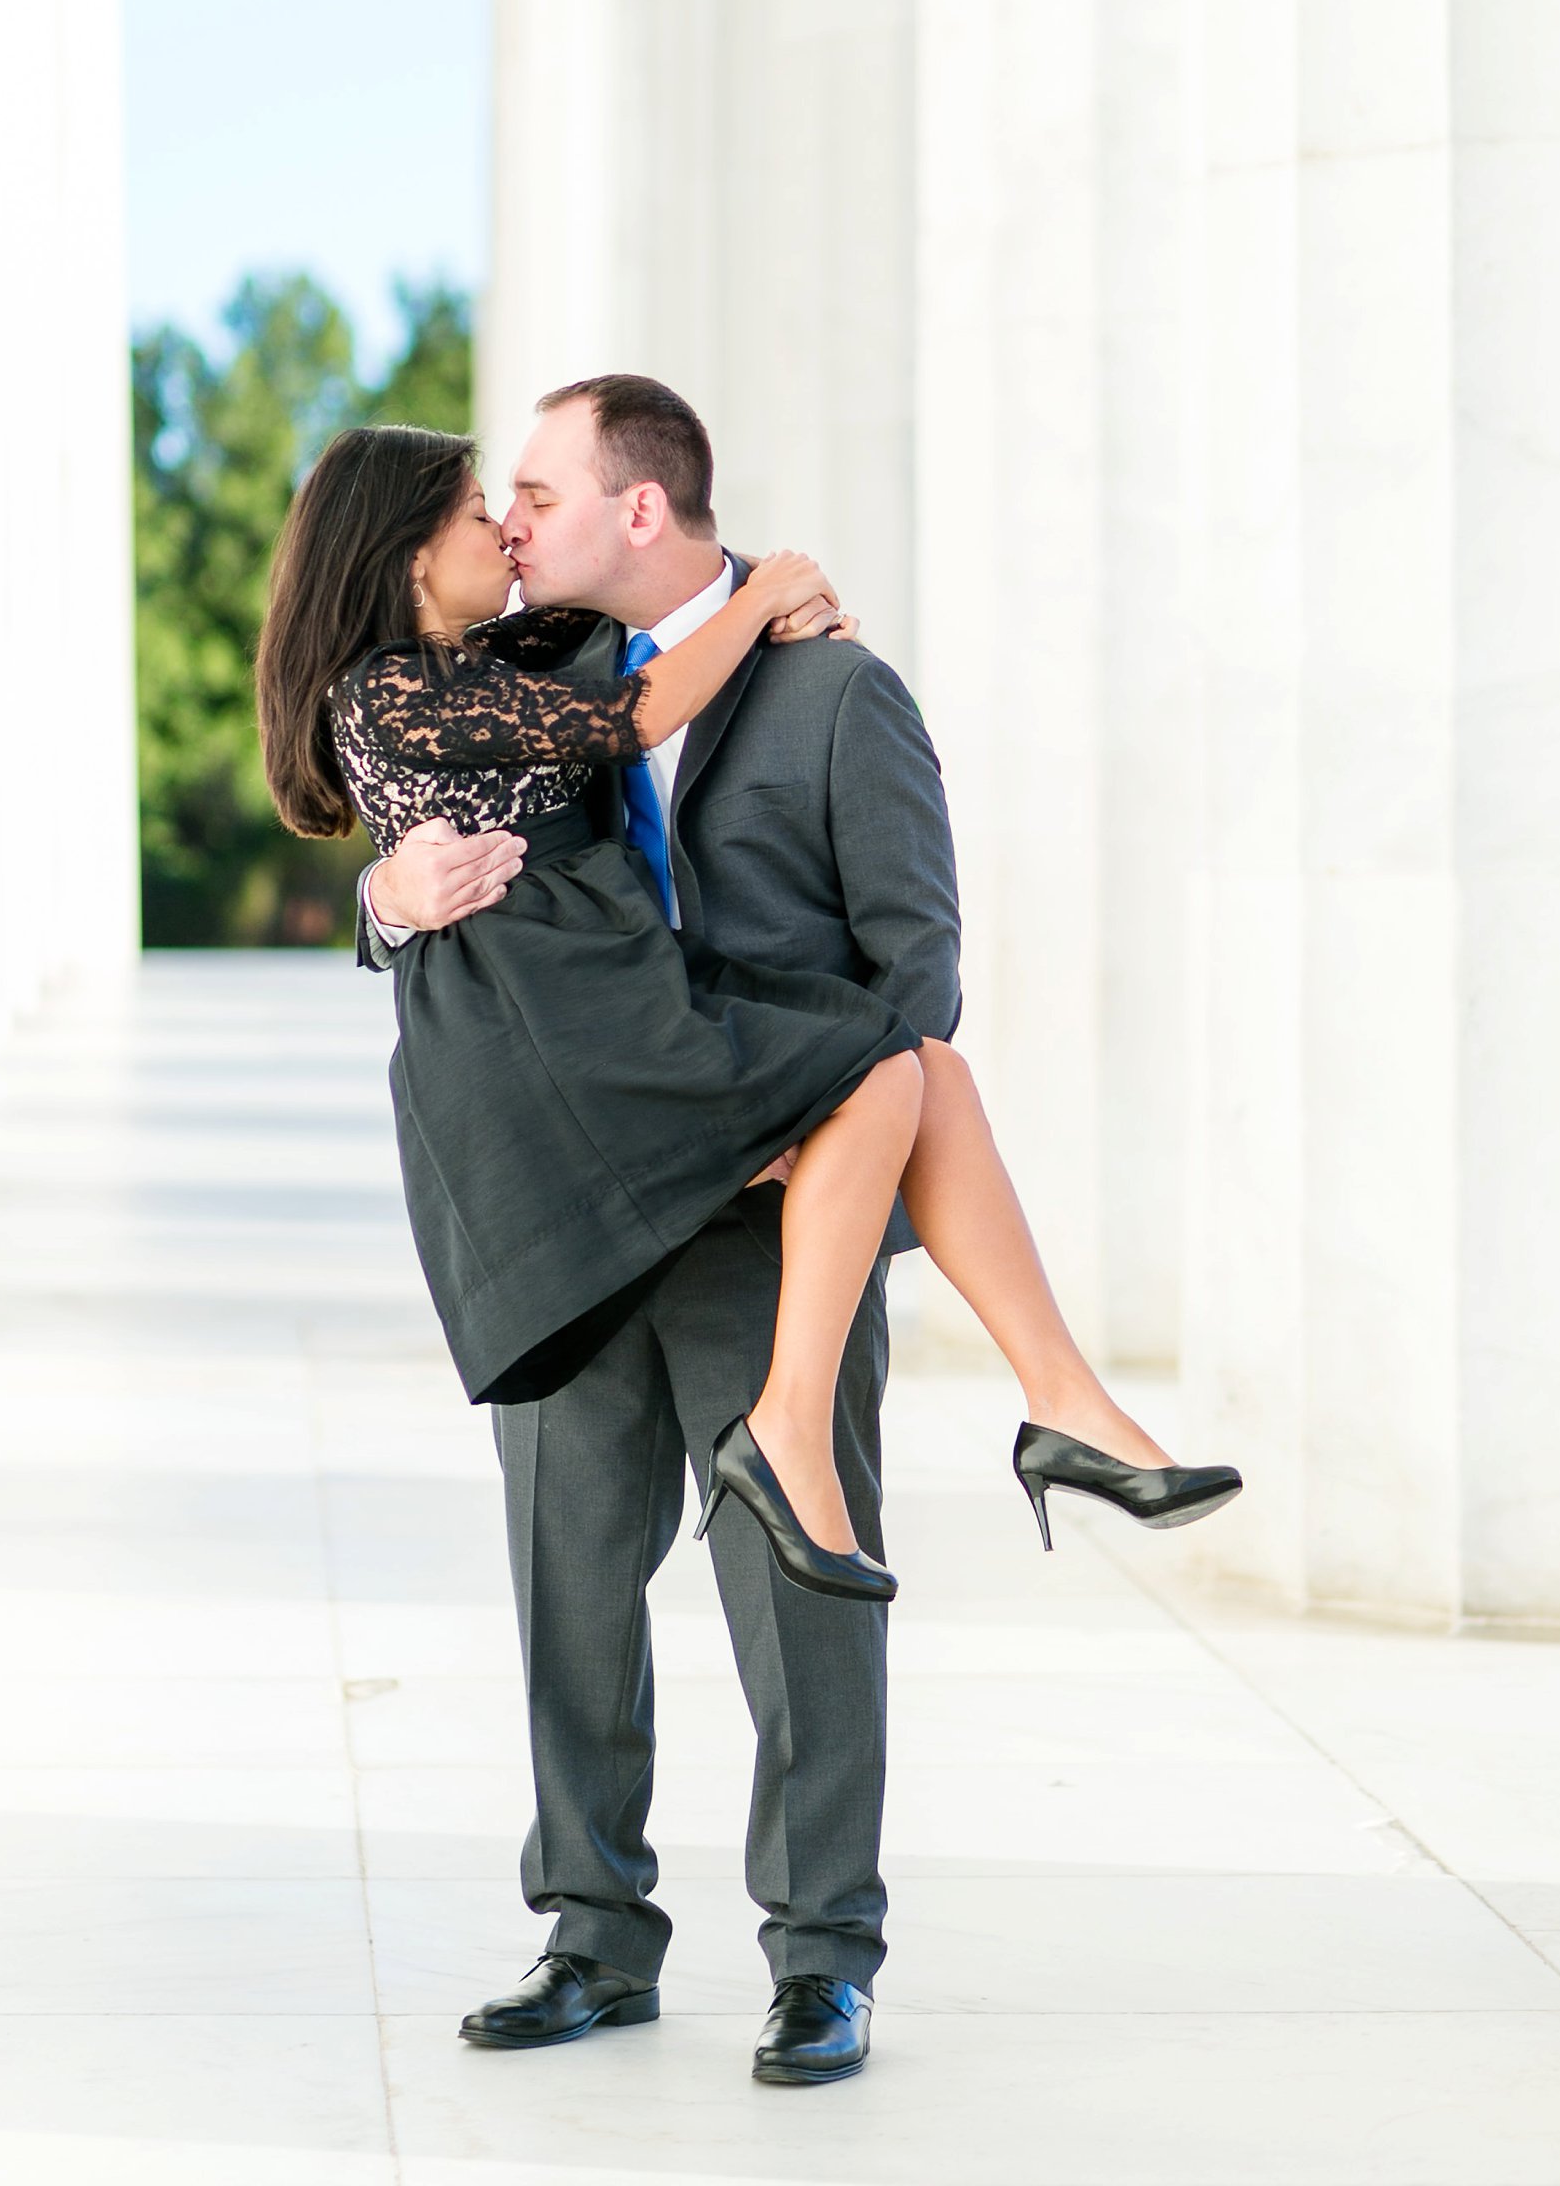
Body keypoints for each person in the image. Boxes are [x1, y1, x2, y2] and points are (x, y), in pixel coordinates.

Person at [257, 375, 1239, 2086]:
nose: (512, 524)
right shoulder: (533, 672)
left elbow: (917, 976)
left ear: (640, 509)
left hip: (766, 1199)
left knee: (800, 1580)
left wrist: (811, 1136)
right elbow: (421, 816)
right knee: (569, 1583)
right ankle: (593, 1935)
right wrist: (377, 903)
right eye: (495, 507)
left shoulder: (836, 693)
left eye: (538, 494)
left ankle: (823, 1960)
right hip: (562, 1199)